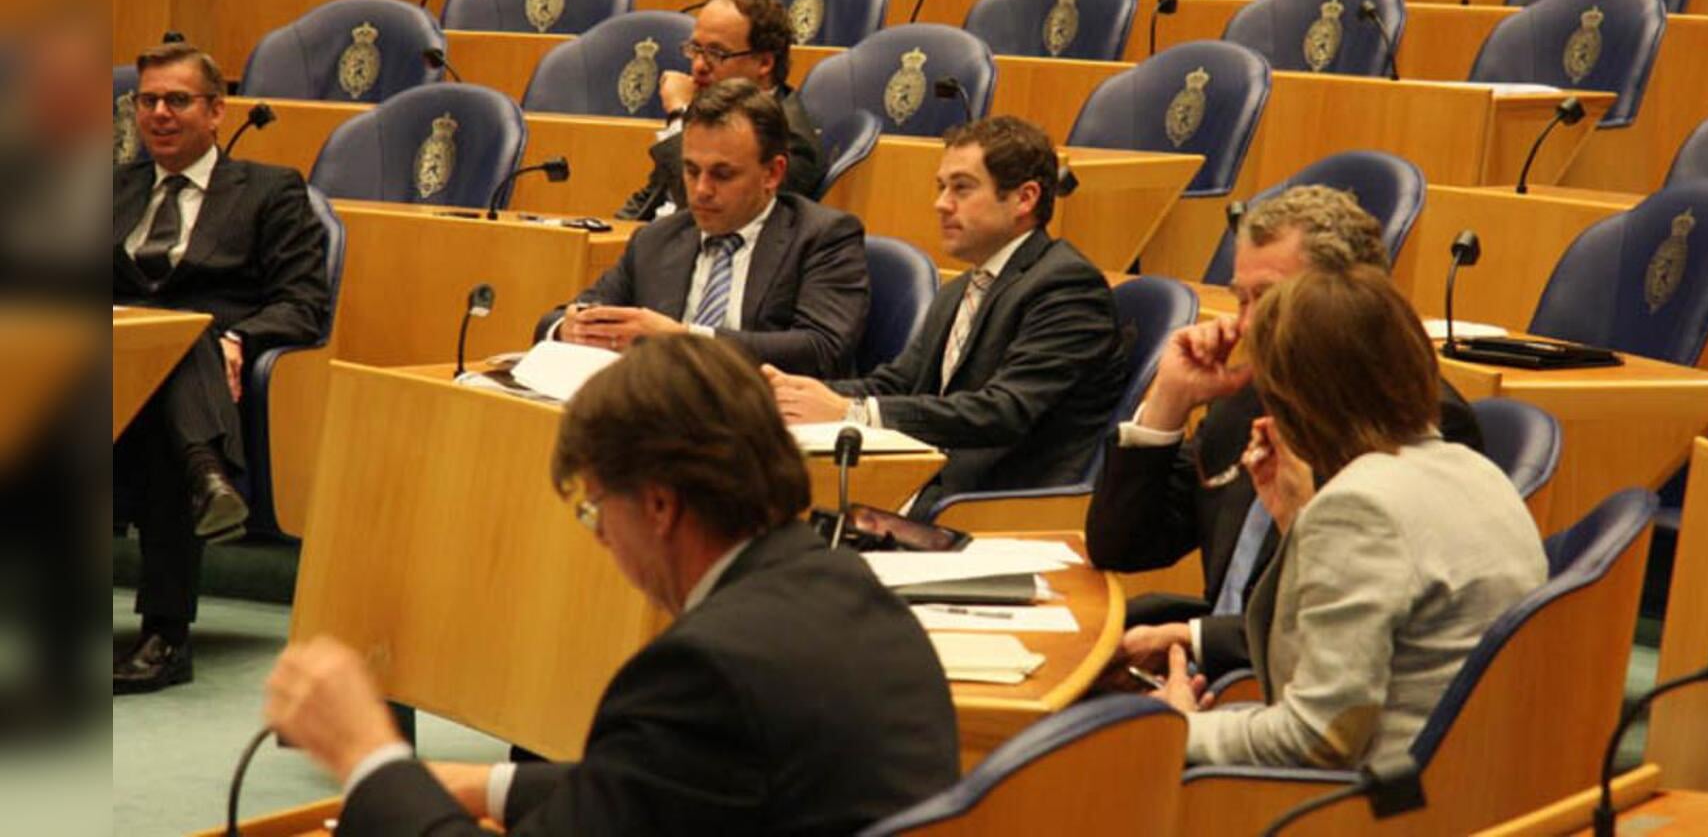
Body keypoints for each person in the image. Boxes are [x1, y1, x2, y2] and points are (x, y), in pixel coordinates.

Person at [264, 336, 961, 834]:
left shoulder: (703, 670)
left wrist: (368, 755)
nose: (597, 537)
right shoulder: (841, 582)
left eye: (597, 507)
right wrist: (490, 784)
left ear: (659, 504)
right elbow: (666, 783)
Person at [1150, 265, 1547, 769]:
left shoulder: (1360, 507)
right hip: (1471, 785)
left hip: (1365, 810)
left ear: (1297, 398)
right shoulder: (1474, 472)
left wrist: (1175, 729)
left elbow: (1316, 739)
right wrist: (1296, 517)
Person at [1090, 187, 1486, 680]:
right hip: (1205, 672)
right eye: (1241, 299)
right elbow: (1123, 546)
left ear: (1343, 298)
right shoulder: (1247, 399)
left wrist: (1194, 639)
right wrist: (1168, 403)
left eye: (1270, 299)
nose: (1248, 323)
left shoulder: (1415, 422)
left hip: (1287, 688)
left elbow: (1362, 620)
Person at [763, 116, 1128, 516]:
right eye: (941, 187)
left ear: (1024, 198)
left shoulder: (1066, 286)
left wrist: (852, 413)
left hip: (1001, 505)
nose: (941, 203)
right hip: (933, 487)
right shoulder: (964, 287)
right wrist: (799, 397)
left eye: (962, 188)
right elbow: (899, 382)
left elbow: (1004, 411)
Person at [113, 42, 331, 693]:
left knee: (185, 348)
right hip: (106, 371)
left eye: (177, 100)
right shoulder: (108, 186)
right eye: (146, 100)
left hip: (206, 375)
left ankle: (165, 636)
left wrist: (240, 336)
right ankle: (208, 475)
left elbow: (304, 303)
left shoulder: (270, 190)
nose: (158, 113)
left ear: (215, 110)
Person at [537, 81, 868, 377]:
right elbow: (553, 320)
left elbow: (823, 351)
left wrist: (684, 341)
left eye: (722, 174)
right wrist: (570, 329)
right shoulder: (657, 239)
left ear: (772, 173)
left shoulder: (823, 236)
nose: (701, 190)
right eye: (691, 171)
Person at [615, 0, 823, 221]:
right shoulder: (712, 111)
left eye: (717, 53)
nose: (698, 66)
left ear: (764, 63)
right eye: (695, 49)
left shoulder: (793, 142)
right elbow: (652, 198)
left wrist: (677, 117)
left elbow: (701, 215)